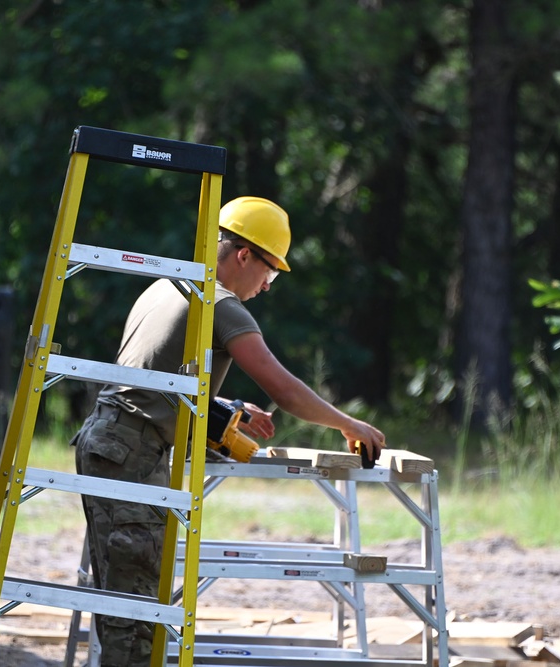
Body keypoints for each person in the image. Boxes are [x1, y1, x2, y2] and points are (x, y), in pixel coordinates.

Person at [72, 195, 386, 666]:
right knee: (134, 615)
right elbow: (284, 388)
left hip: (114, 441)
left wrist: (223, 406)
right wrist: (348, 423)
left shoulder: (168, 284)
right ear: (244, 255)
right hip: (132, 452)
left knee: (130, 599)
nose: (267, 285)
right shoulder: (221, 304)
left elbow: (150, 374)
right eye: (270, 272)